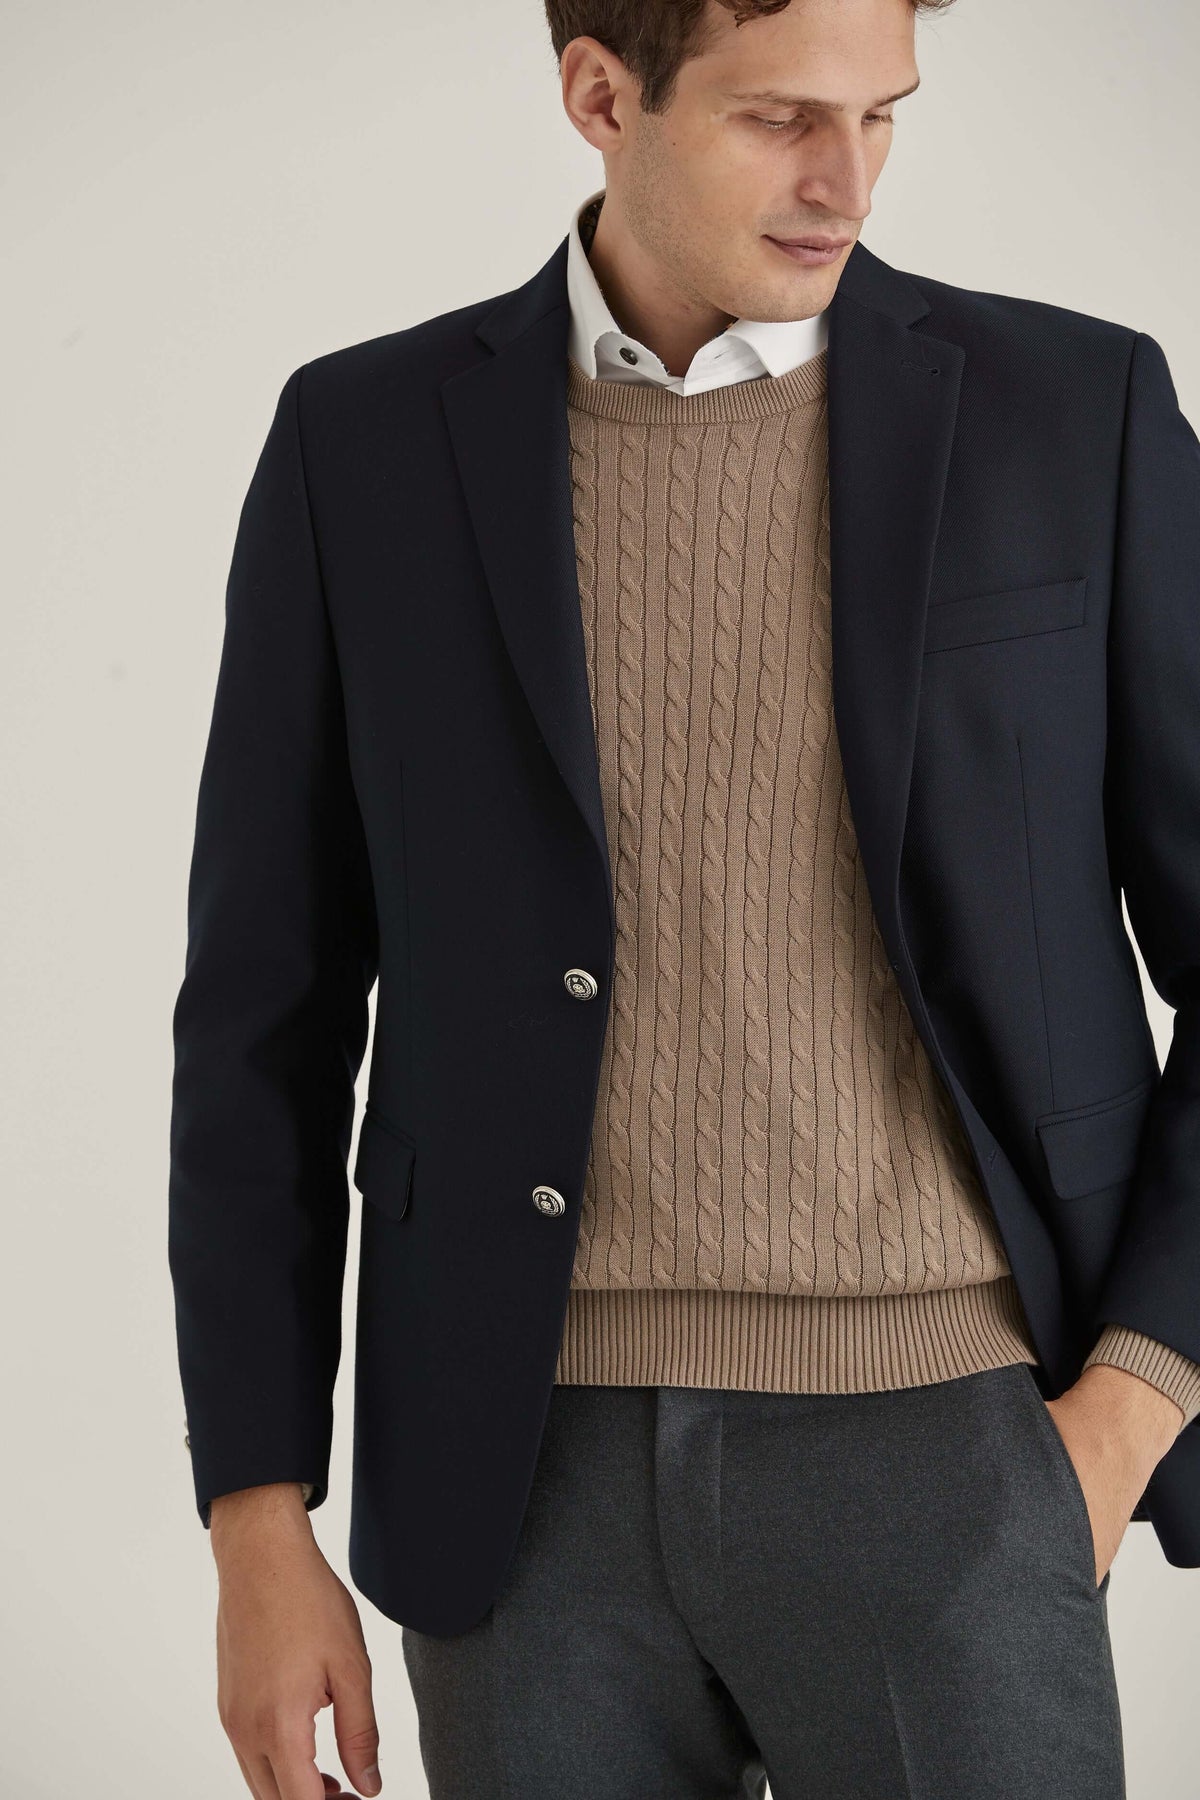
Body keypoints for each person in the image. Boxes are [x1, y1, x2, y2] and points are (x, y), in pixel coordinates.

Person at [168, 1, 1200, 1795]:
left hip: (955, 1457)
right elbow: (265, 1013)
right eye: (780, 119)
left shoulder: (1073, 410)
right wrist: (258, 1519)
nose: (846, 183)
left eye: (883, 116)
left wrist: (1131, 1406)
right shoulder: (363, 443)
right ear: (600, 93)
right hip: (515, 1486)